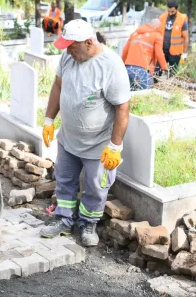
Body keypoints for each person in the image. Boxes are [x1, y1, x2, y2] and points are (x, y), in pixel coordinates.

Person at [39, 19, 131, 247]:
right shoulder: (68, 58)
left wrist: (115, 146)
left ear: (89, 42)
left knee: (95, 186)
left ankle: (88, 223)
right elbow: (58, 86)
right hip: (69, 139)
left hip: (97, 145)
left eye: (72, 46)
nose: (68, 51)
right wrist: (49, 119)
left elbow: (123, 108)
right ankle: (64, 219)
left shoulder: (111, 66)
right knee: (65, 180)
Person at [121, 19, 169, 90]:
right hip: (143, 70)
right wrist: (165, 68)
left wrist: (122, 65)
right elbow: (159, 53)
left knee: (129, 95)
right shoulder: (157, 35)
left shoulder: (134, 34)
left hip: (128, 69)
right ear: (157, 27)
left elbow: (125, 51)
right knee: (146, 95)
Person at [157, 0, 189, 75]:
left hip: (175, 53)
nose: (170, 13)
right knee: (157, 72)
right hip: (162, 50)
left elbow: (186, 38)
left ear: (177, 9)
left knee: (172, 74)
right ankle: (156, 85)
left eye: (172, 12)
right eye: (169, 11)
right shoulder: (162, 17)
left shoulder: (182, 18)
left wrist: (184, 54)